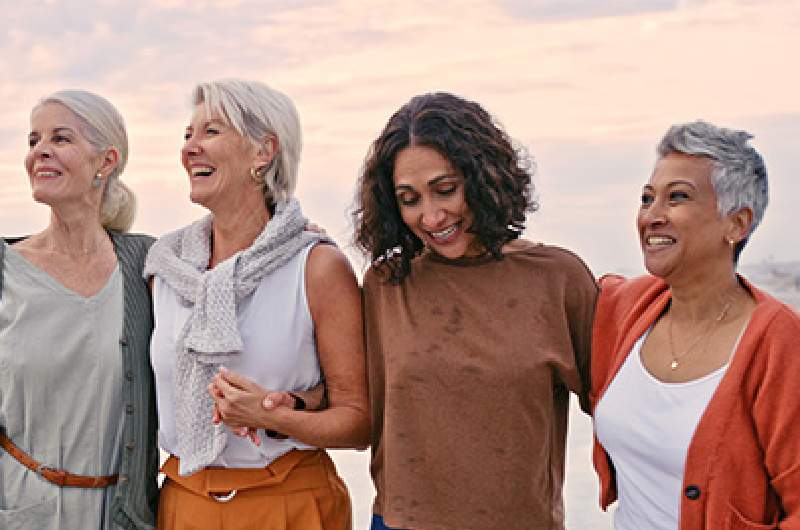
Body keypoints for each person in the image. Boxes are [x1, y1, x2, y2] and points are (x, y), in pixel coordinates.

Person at [353, 92, 598, 530]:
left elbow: (619, 413)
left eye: (445, 190)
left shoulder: (558, 279)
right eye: (409, 199)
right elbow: (358, 407)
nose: (431, 216)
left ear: (484, 178)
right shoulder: (387, 285)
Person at [145, 79, 368, 530]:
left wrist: (275, 415)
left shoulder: (318, 267)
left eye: (211, 131)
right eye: (188, 135)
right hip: (184, 505)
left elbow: (358, 422)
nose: (190, 148)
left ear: (263, 152)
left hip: (290, 505)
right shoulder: (164, 271)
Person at [591, 121, 800, 529]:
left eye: (678, 198)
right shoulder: (624, 308)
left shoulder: (777, 343)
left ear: (736, 224)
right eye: (647, 198)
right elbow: (544, 281)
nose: (652, 216)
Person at [0, 90, 158, 529]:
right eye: (33, 141)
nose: (39, 151)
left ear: (106, 161)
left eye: (60, 138)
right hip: (20, 512)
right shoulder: (6, 270)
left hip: (124, 516)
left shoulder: (147, 264)